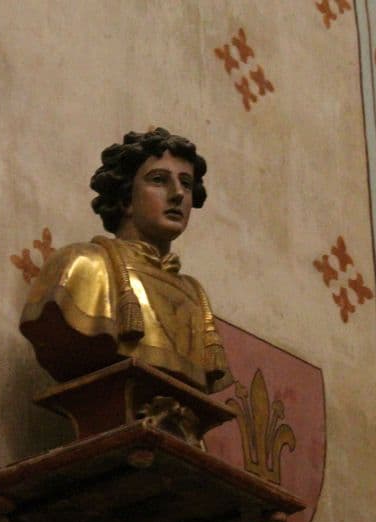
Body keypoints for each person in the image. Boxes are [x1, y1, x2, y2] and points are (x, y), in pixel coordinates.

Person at [20, 128, 232, 394]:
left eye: (186, 184)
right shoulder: (83, 265)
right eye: (159, 180)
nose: (178, 193)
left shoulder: (196, 298)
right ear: (125, 199)